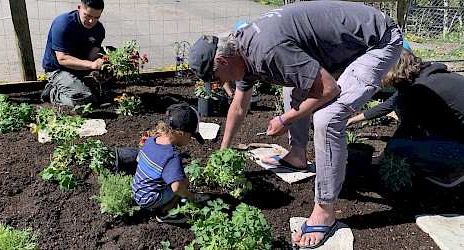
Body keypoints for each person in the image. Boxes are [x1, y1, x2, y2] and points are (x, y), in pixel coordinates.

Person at [188, 1, 402, 248]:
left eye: (214, 79)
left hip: (376, 40)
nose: (216, 84)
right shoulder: (241, 53)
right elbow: (238, 105)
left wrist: (285, 119)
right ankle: (297, 156)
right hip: (345, 42)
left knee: (327, 119)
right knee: (293, 88)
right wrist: (224, 149)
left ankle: (325, 210)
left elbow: (329, 90)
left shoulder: (267, 50)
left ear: (222, 61)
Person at [348, 48, 464, 186]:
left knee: (398, 147)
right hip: (456, 133)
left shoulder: (420, 91)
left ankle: (456, 169)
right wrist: (351, 120)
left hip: (460, 146)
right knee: (399, 102)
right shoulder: (426, 78)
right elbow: (389, 104)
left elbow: (408, 126)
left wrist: (383, 156)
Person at [132, 103, 208, 224]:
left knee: (181, 180)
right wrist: (189, 196)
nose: (189, 141)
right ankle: (165, 213)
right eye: (191, 137)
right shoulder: (172, 154)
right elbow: (176, 188)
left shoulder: (152, 140)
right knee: (183, 185)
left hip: (138, 191)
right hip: (150, 199)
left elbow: (138, 159)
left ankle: (164, 202)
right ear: (183, 133)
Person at [40, 0, 106, 107]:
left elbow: (92, 55)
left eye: (96, 18)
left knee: (111, 54)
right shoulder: (63, 24)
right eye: (87, 15)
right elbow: (63, 59)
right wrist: (92, 65)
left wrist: (102, 64)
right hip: (58, 70)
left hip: (80, 67)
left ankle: (84, 86)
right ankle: (52, 93)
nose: (91, 21)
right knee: (85, 102)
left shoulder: (99, 29)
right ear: (79, 8)